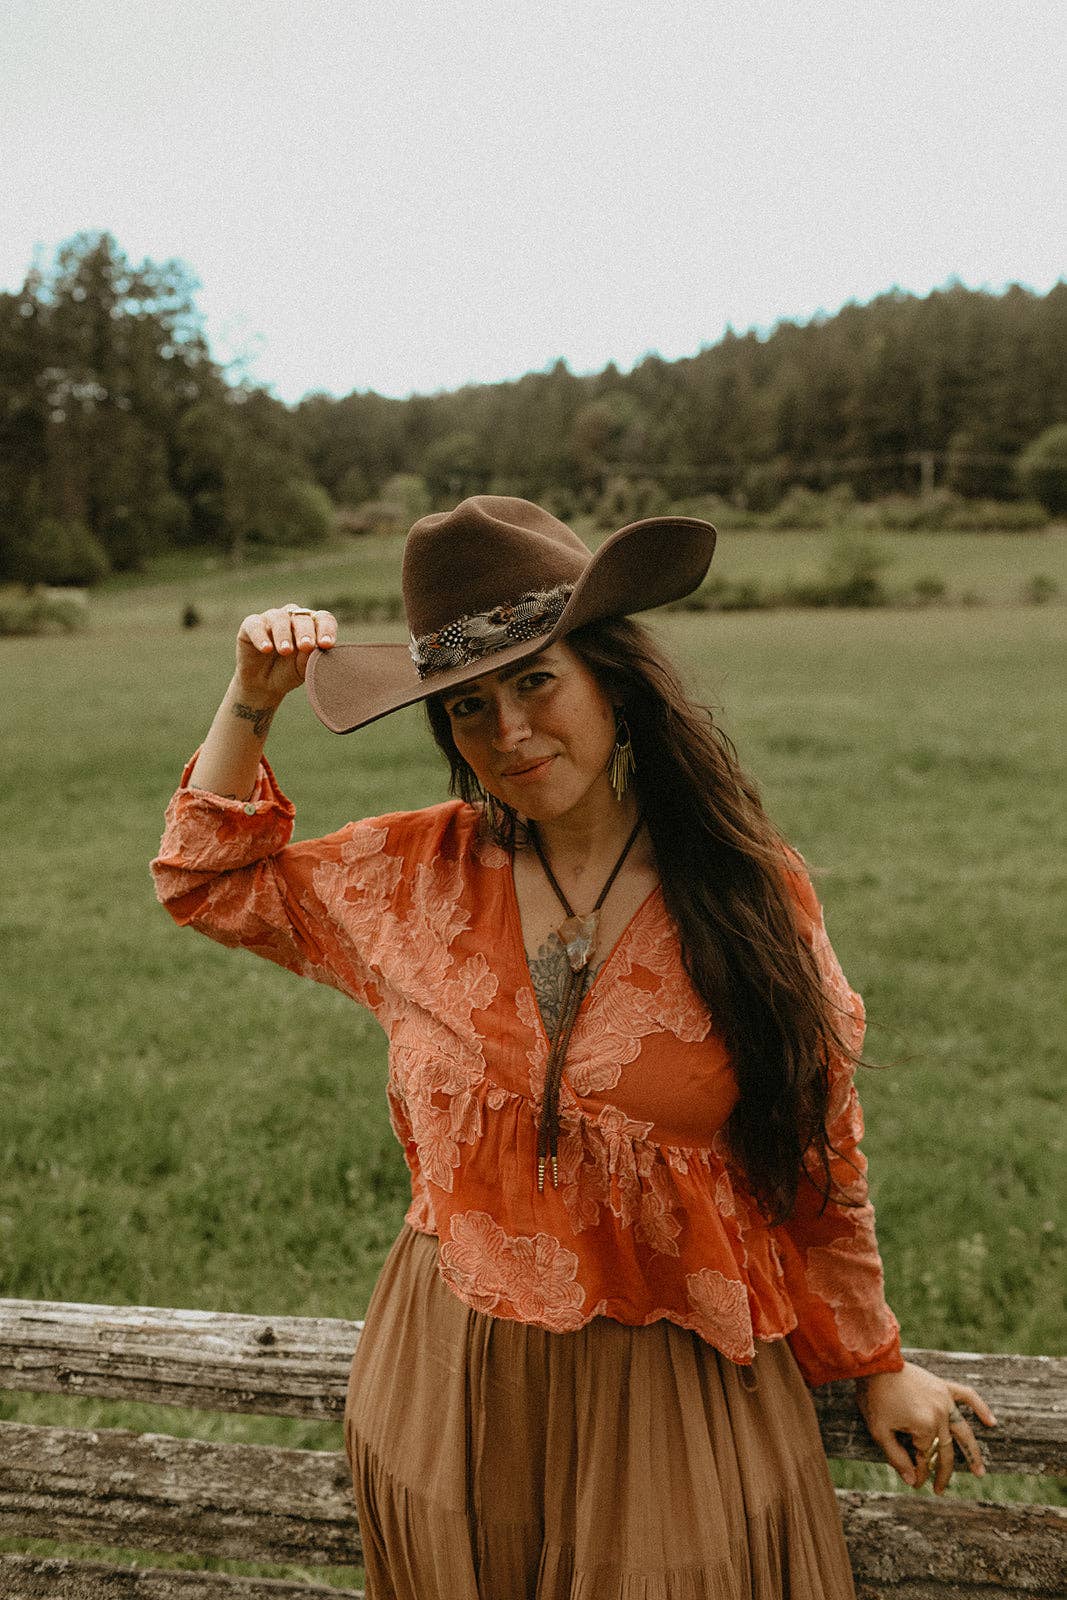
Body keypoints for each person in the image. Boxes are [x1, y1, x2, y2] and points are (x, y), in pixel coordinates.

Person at [152, 496, 996, 1600]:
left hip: (673, 1380)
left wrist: (870, 1361)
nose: (507, 732)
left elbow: (818, 1152)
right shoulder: (415, 877)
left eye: (534, 681)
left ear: (609, 677)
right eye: (465, 707)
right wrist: (248, 701)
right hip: (449, 1380)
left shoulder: (743, 895)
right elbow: (206, 879)